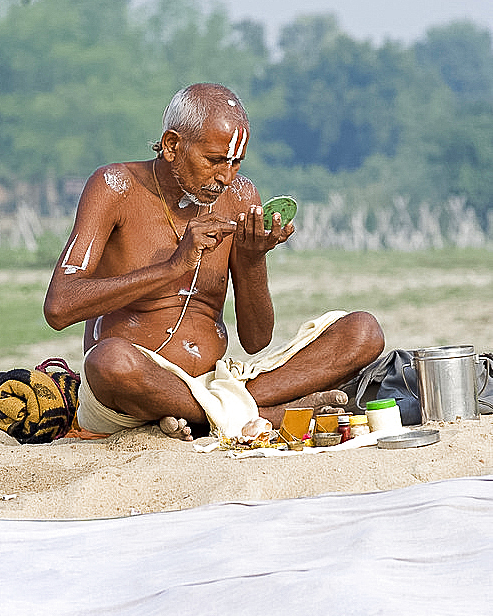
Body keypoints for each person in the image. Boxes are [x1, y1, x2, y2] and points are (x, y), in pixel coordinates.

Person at [44, 83, 384, 440]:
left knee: (363, 331)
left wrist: (252, 260)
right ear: (172, 145)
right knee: (109, 362)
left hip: (219, 381)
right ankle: (260, 414)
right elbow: (58, 307)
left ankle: (210, 413)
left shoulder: (240, 196)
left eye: (236, 162)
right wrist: (172, 267)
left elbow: (256, 340)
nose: (225, 177)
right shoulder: (115, 186)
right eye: (214, 160)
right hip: (134, 388)